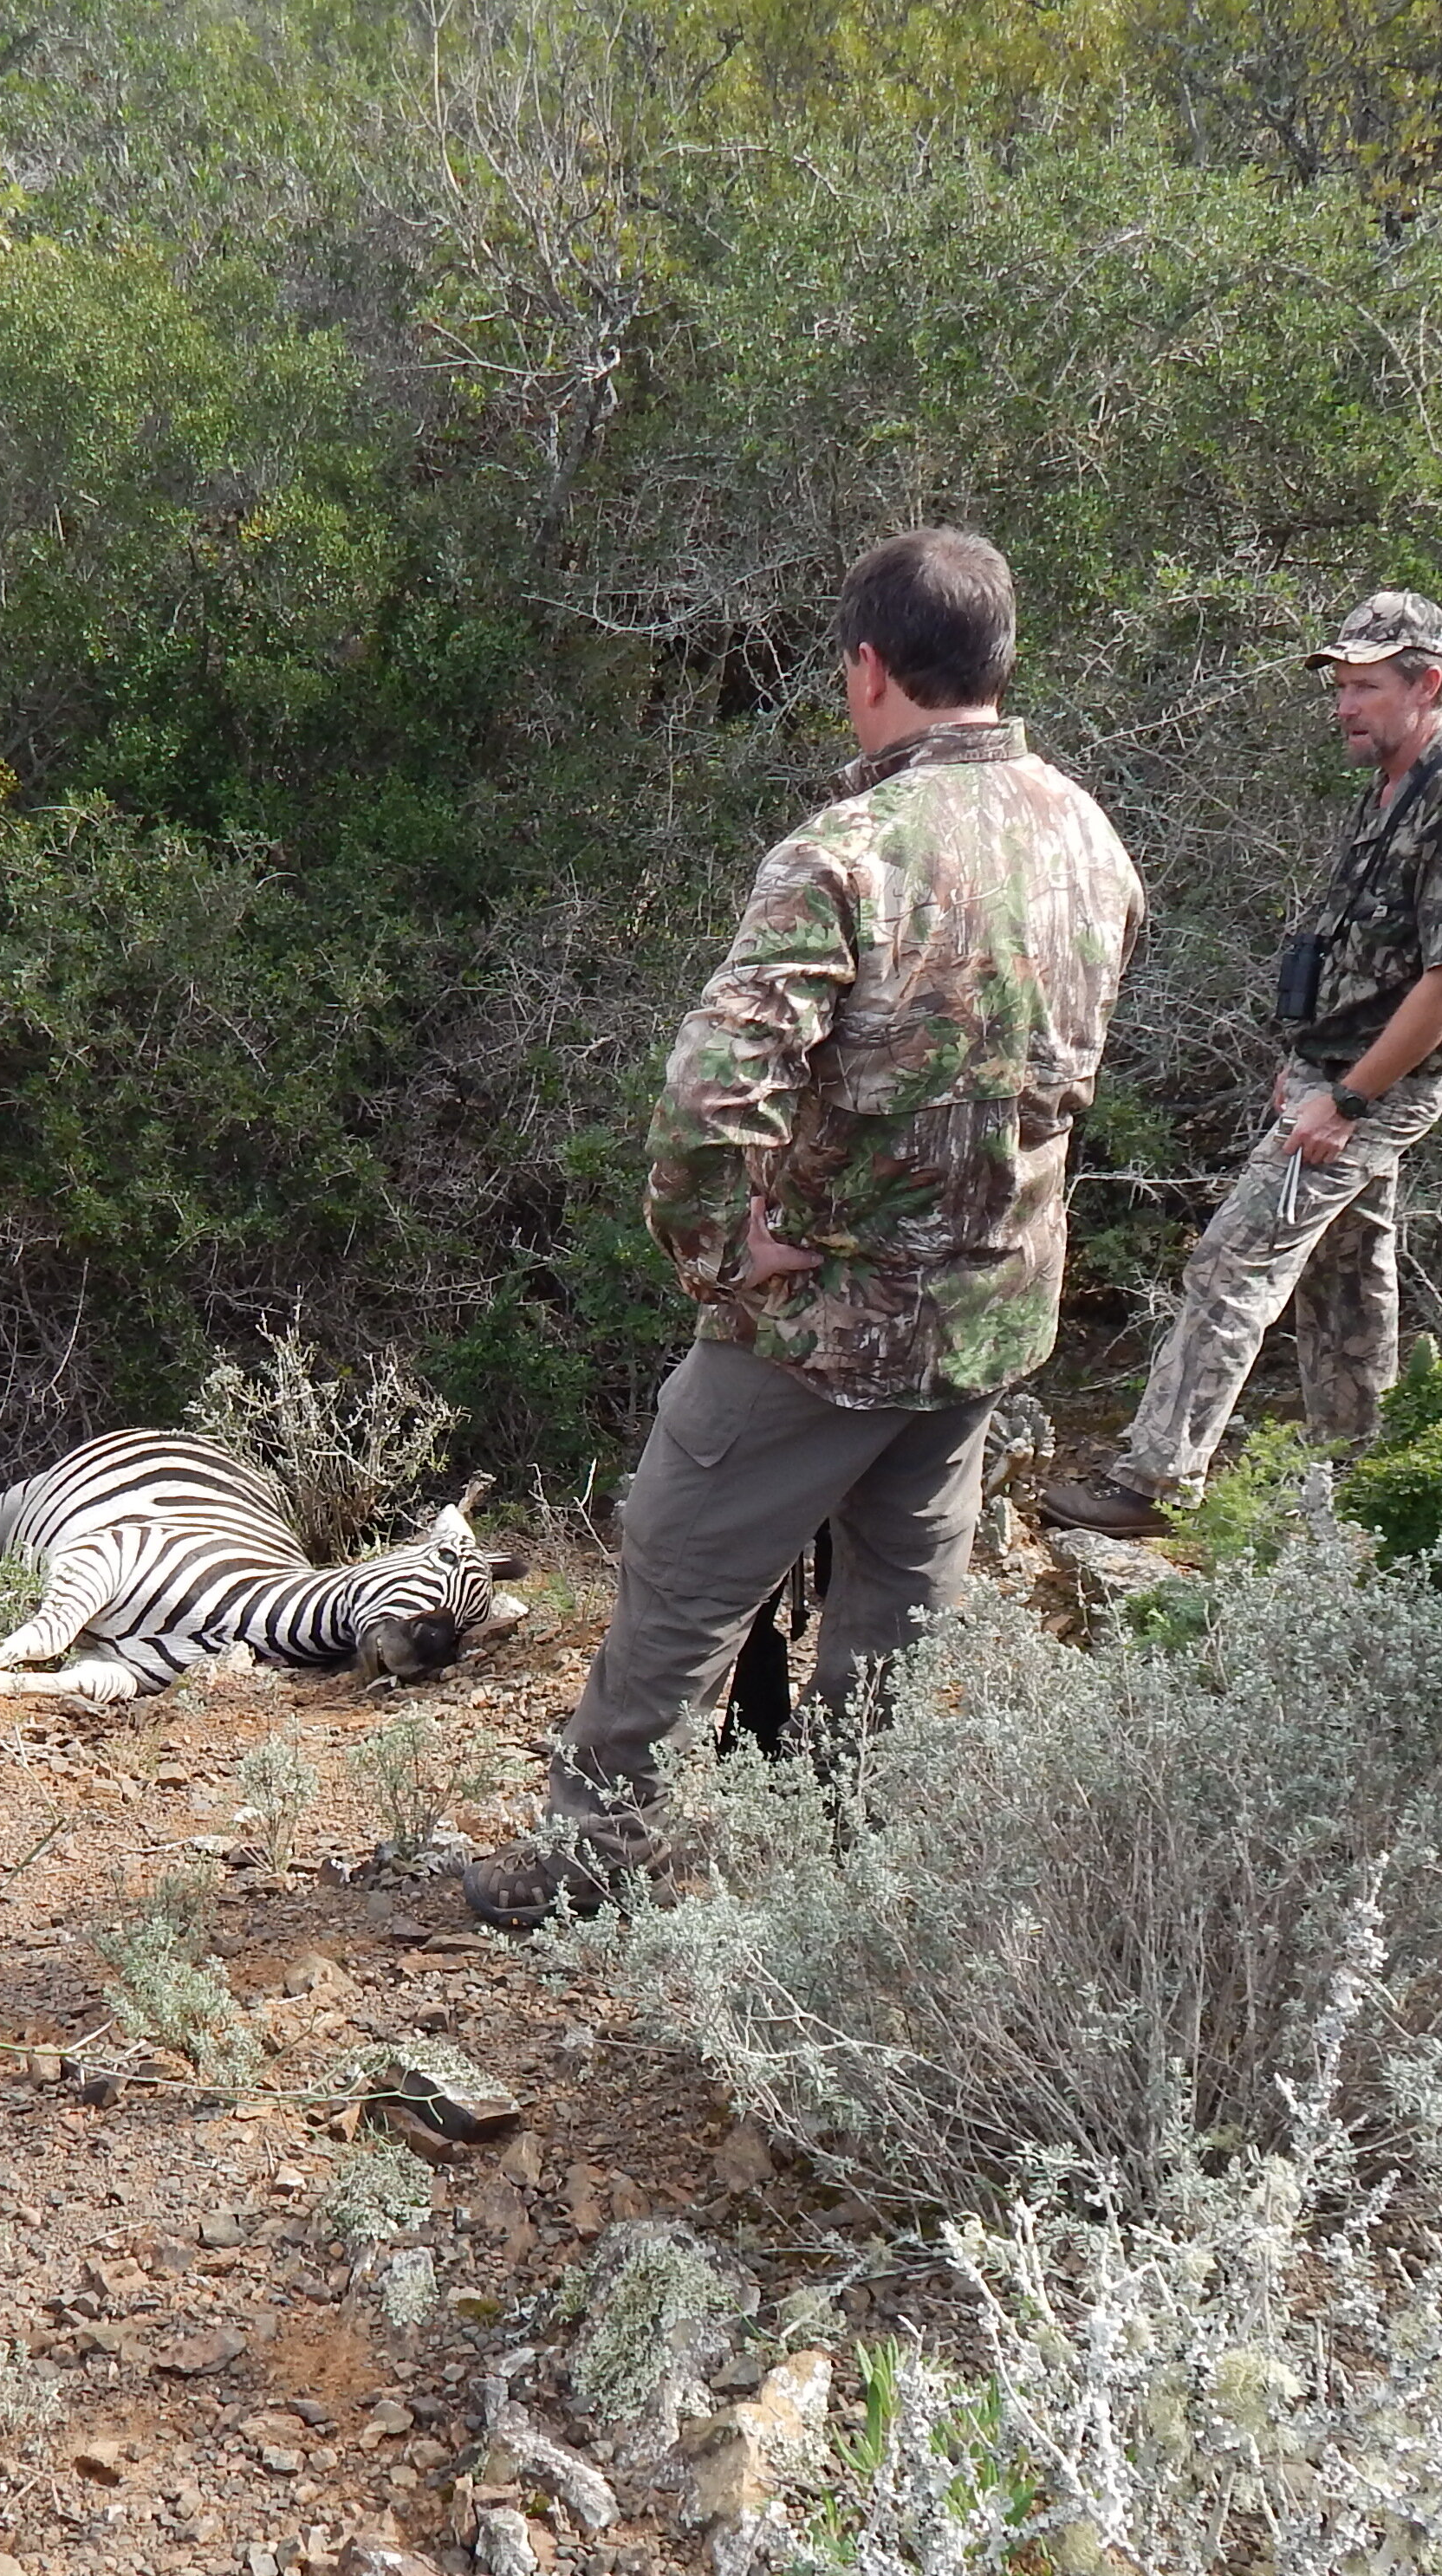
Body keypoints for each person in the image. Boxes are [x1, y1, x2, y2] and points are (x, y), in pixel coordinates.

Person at [463, 527, 1146, 1929]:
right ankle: (850, 1872)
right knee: (898, 1603)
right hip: (987, 1316)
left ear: (868, 669)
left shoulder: (850, 851)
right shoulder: (1086, 835)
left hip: (823, 1321)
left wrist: (717, 1251)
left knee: (679, 1565)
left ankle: (592, 1864)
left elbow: (711, 1097)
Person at [1041, 588, 1442, 1535]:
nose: (1344, 705)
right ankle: (1369, 1481)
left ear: (1429, 683)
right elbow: (1367, 955)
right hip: (1337, 1073)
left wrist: (1346, 1097)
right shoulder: (1394, 787)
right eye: (1340, 686)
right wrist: (1309, 1064)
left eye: (1366, 687)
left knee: (1232, 1263)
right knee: (1349, 1277)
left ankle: (1152, 1485)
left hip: (1374, 1089)